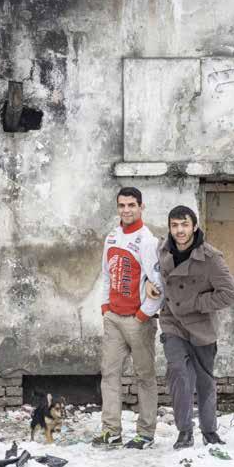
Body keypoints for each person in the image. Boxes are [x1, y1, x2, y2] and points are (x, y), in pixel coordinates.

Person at [156, 205, 234, 449]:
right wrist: (154, 289)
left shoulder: (211, 258)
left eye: (184, 224)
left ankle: (209, 430)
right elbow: (158, 278)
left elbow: (231, 294)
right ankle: (184, 431)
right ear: (170, 228)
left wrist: (196, 303)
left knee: (204, 382)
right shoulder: (163, 250)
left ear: (194, 226)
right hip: (172, 323)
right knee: (178, 374)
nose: (179, 230)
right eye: (174, 225)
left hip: (201, 326)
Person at [94, 187, 165, 450]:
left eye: (132, 205)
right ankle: (111, 431)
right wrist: (105, 307)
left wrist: (142, 314)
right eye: (122, 205)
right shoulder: (111, 237)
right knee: (109, 375)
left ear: (141, 207)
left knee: (144, 377)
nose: (126, 210)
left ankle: (145, 433)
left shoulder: (147, 241)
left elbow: (158, 285)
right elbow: (106, 274)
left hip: (139, 321)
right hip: (113, 317)